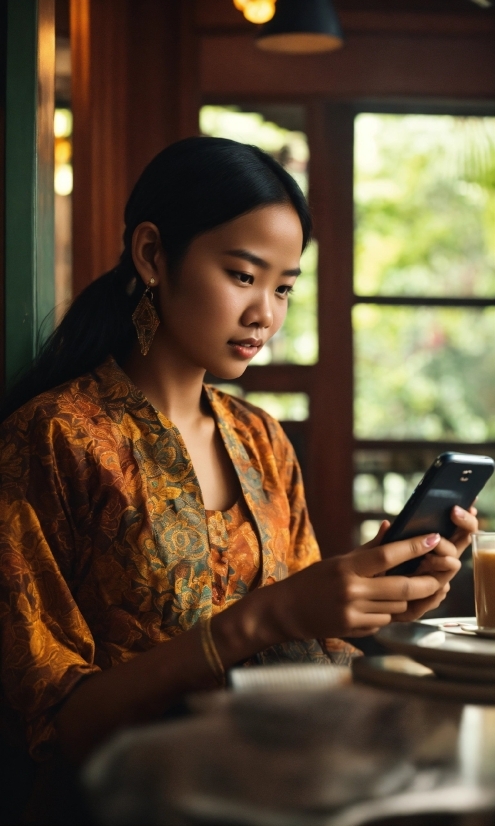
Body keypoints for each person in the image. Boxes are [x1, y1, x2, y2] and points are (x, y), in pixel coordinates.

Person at [0, 137, 476, 772]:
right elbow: (57, 727)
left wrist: (382, 605)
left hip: (284, 785)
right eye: (243, 276)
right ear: (152, 255)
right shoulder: (52, 439)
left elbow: (314, 651)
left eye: (282, 288)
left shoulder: (263, 439)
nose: (264, 315)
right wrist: (265, 616)